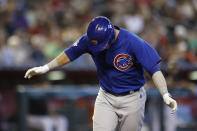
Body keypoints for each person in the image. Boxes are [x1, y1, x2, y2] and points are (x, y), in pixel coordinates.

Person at [25, 16, 178, 131]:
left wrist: (165, 94)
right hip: (106, 97)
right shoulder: (90, 40)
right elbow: (69, 54)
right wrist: (45, 67)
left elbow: (154, 70)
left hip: (132, 98)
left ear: (111, 36)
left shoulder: (133, 42)